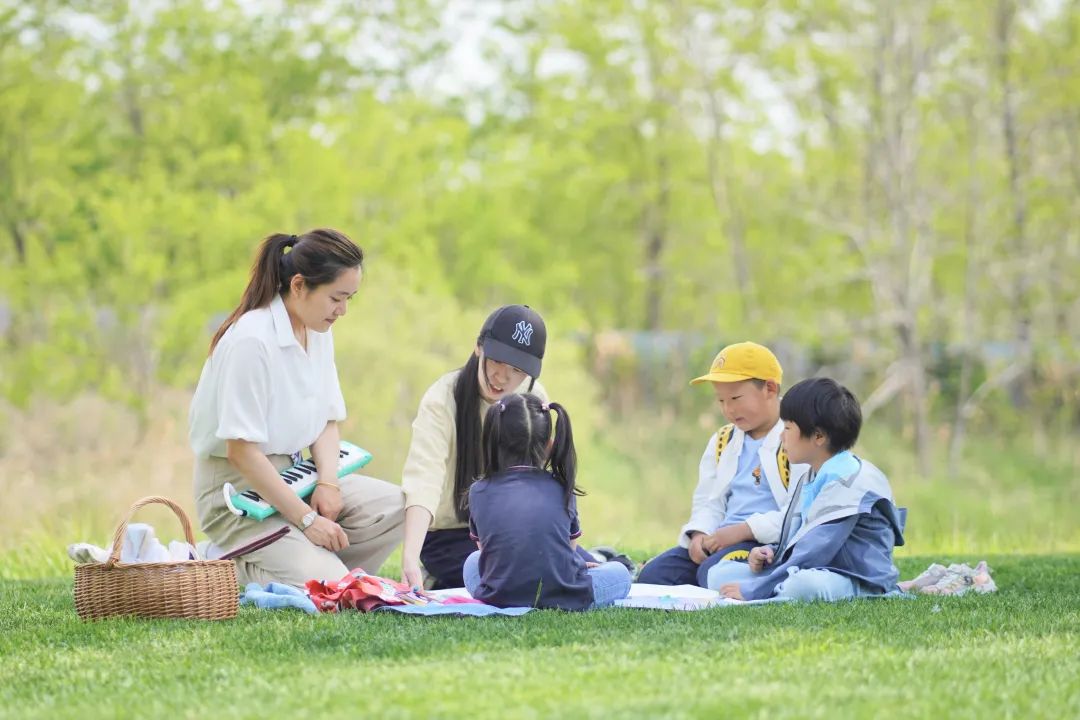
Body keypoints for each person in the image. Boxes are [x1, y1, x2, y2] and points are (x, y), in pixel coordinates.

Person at [189, 229, 404, 587]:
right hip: (238, 494)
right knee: (331, 588)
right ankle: (212, 560)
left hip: (296, 476)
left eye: (350, 298)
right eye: (337, 297)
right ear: (300, 285)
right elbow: (241, 452)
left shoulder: (317, 330)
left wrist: (329, 483)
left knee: (398, 507)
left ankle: (316, 567)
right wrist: (307, 521)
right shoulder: (251, 341)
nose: (343, 310)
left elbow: (326, 421)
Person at [400, 305, 595, 590]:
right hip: (449, 535)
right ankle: (440, 575)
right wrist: (409, 556)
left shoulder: (532, 398)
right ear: (479, 347)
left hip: (517, 528)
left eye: (516, 369)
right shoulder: (442, 400)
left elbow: (538, 482)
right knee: (508, 576)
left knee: (585, 569)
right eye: (498, 361)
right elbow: (423, 478)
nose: (503, 377)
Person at [710, 377, 906, 602]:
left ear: (818, 436)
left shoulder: (848, 479)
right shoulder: (812, 475)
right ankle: (774, 590)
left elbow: (814, 550)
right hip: (818, 567)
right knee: (720, 573)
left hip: (855, 576)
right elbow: (798, 533)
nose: (781, 437)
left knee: (803, 586)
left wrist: (754, 590)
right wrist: (770, 552)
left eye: (787, 428)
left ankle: (771, 593)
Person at [637, 342, 808, 587]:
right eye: (721, 400)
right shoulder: (722, 441)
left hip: (762, 543)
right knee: (653, 575)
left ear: (769, 388)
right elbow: (708, 500)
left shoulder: (796, 438)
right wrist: (699, 534)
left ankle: (760, 577)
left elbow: (797, 514)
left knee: (711, 572)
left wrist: (743, 531)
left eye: (736, 398)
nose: (728, 409)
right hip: (720, 538)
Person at [462, 393, 631, 609]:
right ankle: (598, 561)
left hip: (501, 596)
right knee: (620, 573)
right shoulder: (562, 486)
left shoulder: (478, 491)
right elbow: (568, 551)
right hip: (564, 595)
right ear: (550, 444)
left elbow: (488, 554)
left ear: (493, 441)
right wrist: (580, 567)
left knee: (472, 562)